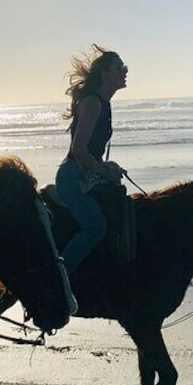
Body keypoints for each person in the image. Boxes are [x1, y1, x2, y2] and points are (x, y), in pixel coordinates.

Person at [55, 44, 128, 275]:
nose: (125, 71)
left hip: (86, 174)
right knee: (94, 228)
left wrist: (108, 166)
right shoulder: (92, 103)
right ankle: (58, 280)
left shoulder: (103, 103)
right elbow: (79, 150)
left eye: (124, 66)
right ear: (105, 73)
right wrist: (105, 170)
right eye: (119, 67)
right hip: (73, 177)